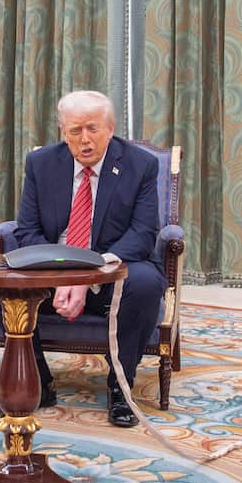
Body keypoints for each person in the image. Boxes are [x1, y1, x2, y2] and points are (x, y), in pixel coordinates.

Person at [10, 90, 163, 427]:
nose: (85, 140)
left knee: (147, 282)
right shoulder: (41, 164)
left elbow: (142, 233)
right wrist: (64, 276)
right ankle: (39, 378)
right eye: (74, 131)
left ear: (110, 128)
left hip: (111, 270)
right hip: (54, 270)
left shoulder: (140, 166)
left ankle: (120, 386)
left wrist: (87, 275)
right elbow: (28, 229)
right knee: (2, 282)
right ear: (63, 132)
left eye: (93, 129)